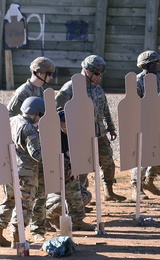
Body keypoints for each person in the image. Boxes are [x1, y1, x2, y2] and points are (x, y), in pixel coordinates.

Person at [0, 57, 56, 247]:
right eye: (49, 74)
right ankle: (18, 235)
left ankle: (5, 231)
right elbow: (8, 119)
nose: (51, 78)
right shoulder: (23, 93)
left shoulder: (39, 91)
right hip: (25, 153)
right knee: (24, 199)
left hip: (26, 152)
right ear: (39, 73)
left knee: (16, 197)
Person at [55, 55, 125, 202]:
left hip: (99, 133)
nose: (99, 77)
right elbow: (57, 110)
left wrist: (111, 128)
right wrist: (68, 130)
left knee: (108, 162)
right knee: (83, 167)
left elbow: (105, 110)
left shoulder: (97, 89)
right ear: (88, 71)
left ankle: (109, 192)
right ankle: (79, 199)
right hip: (81, 136)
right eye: (97, 74)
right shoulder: (70, 88)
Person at [46, 110, 95, 231]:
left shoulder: (76, 134)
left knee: (85, 195)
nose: (65, 128)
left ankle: (77, 220)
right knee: (59, 203)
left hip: (68, 171)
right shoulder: (53, 136)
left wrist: (74, 166)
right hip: (54, 173)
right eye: (63, 125)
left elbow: (76, 152)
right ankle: (47, 217)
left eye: (67, 125)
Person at [7, 97, 46, 245]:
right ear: (36, 114)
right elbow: (36, 154)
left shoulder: (14, 120)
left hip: (15, 168)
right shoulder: (29, 128)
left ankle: (16, 236)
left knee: (20, 203)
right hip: (27, 172)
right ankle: (17, 238)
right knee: (25, 206)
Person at [133, 50, 160, 196]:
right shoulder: (138, 81)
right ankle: (137, 187)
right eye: (153, 63)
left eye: (157, 62)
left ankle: (149, 180)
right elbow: (134, 103)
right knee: (141, 155)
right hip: (143, 122)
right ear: (145, 65)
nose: (156, 65)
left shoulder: (159, 78)